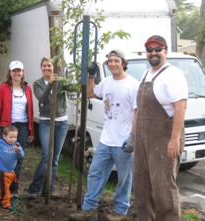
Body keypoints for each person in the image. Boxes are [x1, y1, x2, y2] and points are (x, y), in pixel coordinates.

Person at [69, 49, 139, 221]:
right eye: (110, 61)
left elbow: (138, 111)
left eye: (116, 60)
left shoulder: (133, 84)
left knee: (124, 178)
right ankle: (89, 209)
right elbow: (90, 93)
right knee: (95, 172)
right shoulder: (107, 81)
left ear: (123, 62)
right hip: (106, 140)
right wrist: (91, 75)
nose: (113, 64)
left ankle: (120, 211)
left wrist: (133, 136)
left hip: (124, 141)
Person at [133, 35, 188, 221]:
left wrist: (174, 139)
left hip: (163, 140)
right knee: (141, 186)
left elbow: (180, 108)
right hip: (143, 139)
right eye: (150, 50)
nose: (153, 53)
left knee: (163, 188)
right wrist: (133, 136)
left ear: (166, 51)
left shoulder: (173, 74)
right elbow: (138, 109)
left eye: (158, 49)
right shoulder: (146, 74)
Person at [27, 57, 69, 197]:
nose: (47, 68)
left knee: (55, 159)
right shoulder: (37, 84)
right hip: (46, 122)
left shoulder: (61, 81)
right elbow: (42, 100)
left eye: (49, 66)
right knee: (46, 157)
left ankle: (49, 189)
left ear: (53, 67)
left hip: (62, 123)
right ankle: (34, 189)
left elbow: (73, 90)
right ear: (41, 68)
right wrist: (50, 85)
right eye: (44, 66)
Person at [0, 60, 34, 196]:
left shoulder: (27, 89)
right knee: (3, 157)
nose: (17, 73)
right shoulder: (3, 87)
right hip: (7, 125)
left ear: (22, 73)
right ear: (10, 73)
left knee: (18, 157)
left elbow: (31, 110)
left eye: (19, 70)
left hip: (22, 127)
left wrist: (31, 130)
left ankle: (13, 190)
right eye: (14, 70)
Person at [0, 125, 24, 210]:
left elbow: (21, 156)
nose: (13, 139)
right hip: (1, 171)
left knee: (1, 187)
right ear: (4, 136)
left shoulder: (17, 145)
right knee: (5, 189)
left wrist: (19, 151)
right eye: (11, 137)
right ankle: (6, 204)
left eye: (15, 137)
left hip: (11, 172)